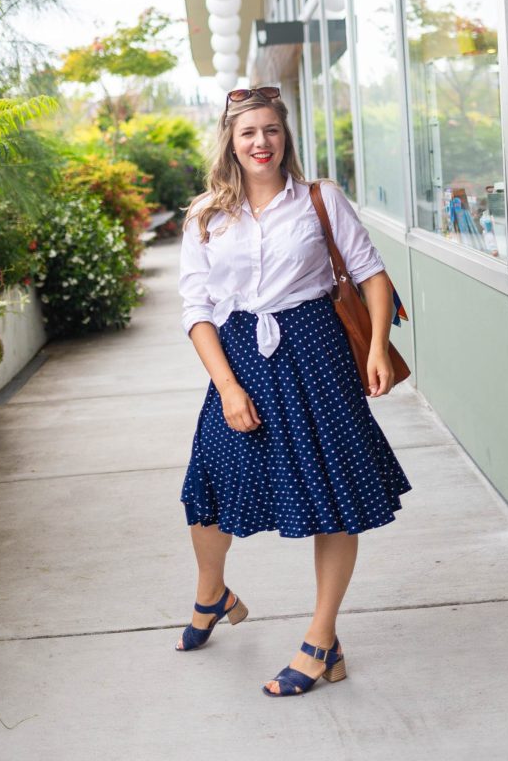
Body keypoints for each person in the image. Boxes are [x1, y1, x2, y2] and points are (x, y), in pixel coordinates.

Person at [176, 86, 412, 697]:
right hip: (239, 357)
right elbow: (196, 307)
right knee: (209, 486)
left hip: (316, 352)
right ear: (230, 140)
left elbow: (371, 274)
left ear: (286, 137)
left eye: (271, 131)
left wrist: (379, 347)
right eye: (248, 132)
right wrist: (226, 384)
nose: (261, 142)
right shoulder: (206, 214)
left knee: (334, 497)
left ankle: (322, 640)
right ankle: (212, 593)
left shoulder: (319, 198)